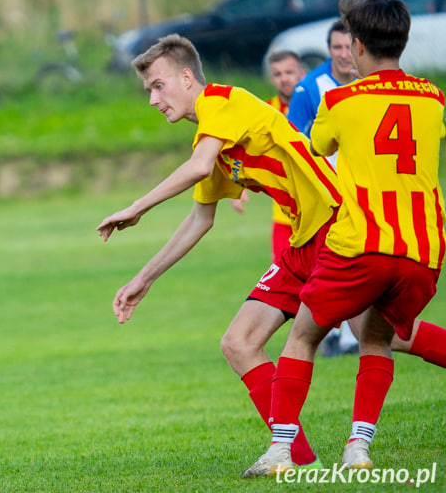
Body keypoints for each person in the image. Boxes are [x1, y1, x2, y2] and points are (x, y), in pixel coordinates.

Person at [96, 32, 446, 472]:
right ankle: (295, 457)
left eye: (158, 86)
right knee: (241, 342)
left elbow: (199, 168)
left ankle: (290, 453)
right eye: (148, 90)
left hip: (336, 229)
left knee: (380, 334)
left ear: (187, 78)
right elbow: (200, 220)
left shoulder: (225, 101)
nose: (152, 99)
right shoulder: (212, 140)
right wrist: (142, 278)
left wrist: (136, 207)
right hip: (304, 241)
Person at [243, 0, 446, 477]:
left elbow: (317, 148)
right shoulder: (433, 97)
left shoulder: (339, 99)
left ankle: (280, 450)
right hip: (422, 249)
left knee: (302, 336)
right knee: (376, 339)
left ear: (355, 45)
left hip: (362, 244)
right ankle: (358, 447)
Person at [288, 23, 359, 357]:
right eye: (336, 49)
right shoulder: (310, 88)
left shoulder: (368, 82)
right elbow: (293, 143)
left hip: (363, 188)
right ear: (328, 49)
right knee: (333, 262)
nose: (344, 56)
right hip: (327, 194)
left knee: (358, 260)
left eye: (348, 47)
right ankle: (334, 332)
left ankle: (346, 334)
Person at [264, 50, 305, 261]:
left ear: (302, 73)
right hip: (283, 214)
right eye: (278, 74)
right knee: (281, 277)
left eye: (289, 72)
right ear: (272, 79)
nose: (284, 78)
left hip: (316, 211)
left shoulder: (317, 105)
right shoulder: (266, 111)